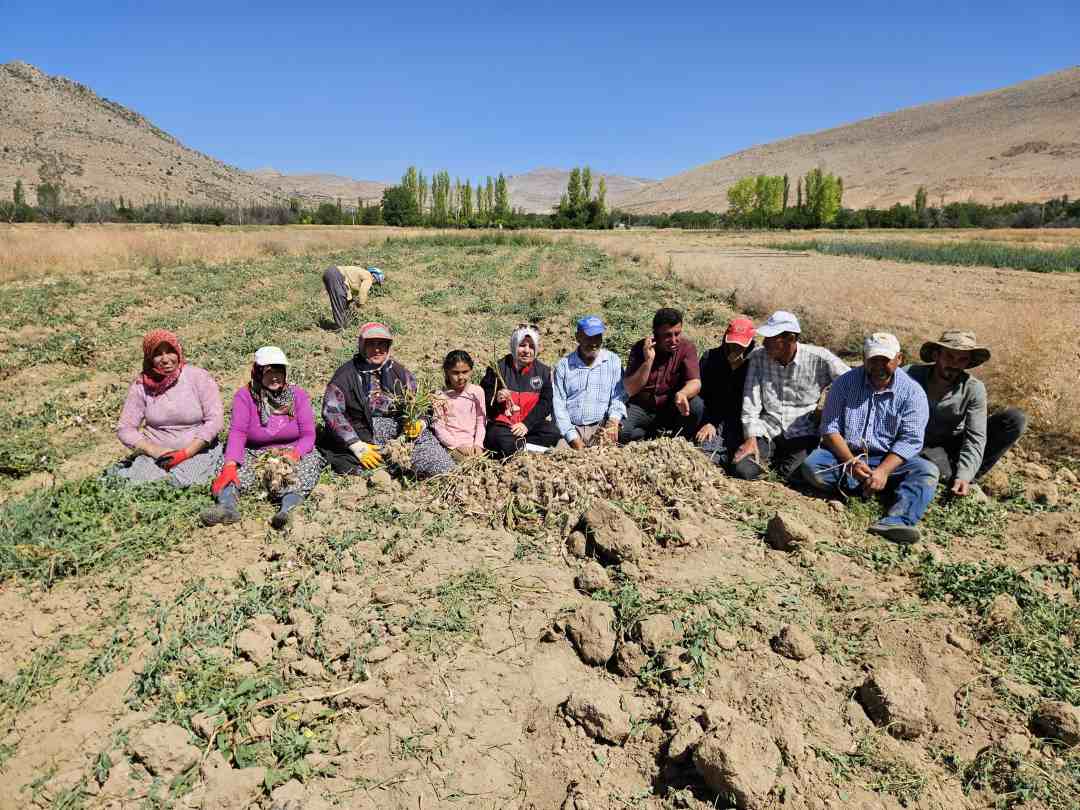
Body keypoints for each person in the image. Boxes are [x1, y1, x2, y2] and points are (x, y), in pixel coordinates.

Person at [801, 333, 938, 544]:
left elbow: (911, 439)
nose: (879, 366)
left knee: (926, 471)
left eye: (886, 360)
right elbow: (830, 429)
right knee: (813, 467)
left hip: (890, 459)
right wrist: (852, 462)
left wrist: (883, 470)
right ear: (864, 358)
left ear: (899, 359)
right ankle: (870, 486)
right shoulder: (844, 383)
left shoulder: (912, 393)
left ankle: (897, 520)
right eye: (873, 360)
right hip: (847, 455)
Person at [203, 346, 326, 529]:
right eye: (269, 371)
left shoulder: (298, 396)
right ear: (258, 372)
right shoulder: (244, 397)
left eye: (279, 371)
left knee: (310, 462)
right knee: (227, 466)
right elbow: (238, 433)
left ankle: (287, 510)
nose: (275, 376)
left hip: (291, 452)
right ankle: (227, 506)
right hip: (255, 452)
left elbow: (308, 435)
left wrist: (294, 455)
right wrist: (230, 465)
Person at [319, 322, 454, 477]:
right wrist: (356, 445)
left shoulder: (398, 372)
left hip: (401, 434)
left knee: (439, 464)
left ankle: (447, 474)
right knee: (372, 470)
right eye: (371, 344)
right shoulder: (345, 376)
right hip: (363, 435)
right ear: (362, 346)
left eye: (382, 344)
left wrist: (420, 422)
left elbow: (420, 401)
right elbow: (332, 412)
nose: (377, 349)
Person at [905, 330, 1027, 497]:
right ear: (936, 355)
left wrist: (965, 475)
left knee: (1014, 419)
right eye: (949, 357)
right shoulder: (910, 375)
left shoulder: (973, 388)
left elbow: (975, 437)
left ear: (968, 362)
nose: (954, 364)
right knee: (928, 465)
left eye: (962, 359)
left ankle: (963, 479)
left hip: (947, 447)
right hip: (909, 440)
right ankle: (941, 472)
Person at [736, 310, 849, 481]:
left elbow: (851, 383)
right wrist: (750, 438)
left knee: (791, 475)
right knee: (744, 469)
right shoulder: (759, 357)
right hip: (769, 427)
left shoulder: (819, 358)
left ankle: (783, 464)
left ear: (791, 339)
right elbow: (750, 402)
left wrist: (828, 409)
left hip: (803, 430)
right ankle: (772, 459)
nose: (765, 342)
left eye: (772, 338)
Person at [110, 329, 225, 487]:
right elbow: (125, 429)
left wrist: (187, 452)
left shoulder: (198, 377)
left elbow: (215, 420)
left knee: (186, 480)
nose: (165, 359)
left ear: (178, 352)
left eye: (170, 351)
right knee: (143, 482)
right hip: (157, 456)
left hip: (199, 451)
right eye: (158, 354)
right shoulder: (141, 386)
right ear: (150, 358)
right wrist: (154, 451)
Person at [619, 308, 704, 443]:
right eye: (667, 335)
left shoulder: (686, 348)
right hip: (641, 407)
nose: (674, 340)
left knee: (696, 405)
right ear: (656, 334)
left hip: (669, 407)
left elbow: (695, 382)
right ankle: (646, 435)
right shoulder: (640, 348)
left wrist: (683, 393)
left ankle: (676, 442)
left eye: (677, 334)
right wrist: (648, 360)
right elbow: (630, 389)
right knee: (621, 431)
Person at [480, 324, 560, 457]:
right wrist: (497, 399)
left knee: (552, 432)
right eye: (522, 345)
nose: (527, 350)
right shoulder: (497, 368)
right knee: (496, 437)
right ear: (514, 345)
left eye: (531, 346)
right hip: (504, 426)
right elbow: (485, 398)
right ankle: (531, 450)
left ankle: (517, 449)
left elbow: (545, 404)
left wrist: (526, 424)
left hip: (528, 425)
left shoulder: (544, 372)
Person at [552, 316, 626, 448]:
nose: (594, 343)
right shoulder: (564, 366)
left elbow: (618, 396)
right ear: (577, 337)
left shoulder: (613, 361)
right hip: (573, 429)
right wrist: (572, 438)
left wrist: (613, 421)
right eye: (588, 338)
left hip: (602, 427)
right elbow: (558, 406)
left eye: (597, 337)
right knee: (561, 459)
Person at [695, 317, 757, 468]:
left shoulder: (755, 364)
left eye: (741, 346)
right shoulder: (711, 358)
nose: (736, 349)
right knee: (704, 453)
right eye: (732, 344)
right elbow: (702, 395)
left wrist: (737, 373)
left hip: (741, 419)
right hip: (712, 415)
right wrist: (710, 422)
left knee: (736, 456)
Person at [430, 350, 487, 457]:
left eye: (465, 372)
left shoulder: (477, 392)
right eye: (455, 373)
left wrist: (478, 444)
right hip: (451, 446)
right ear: (447, 372)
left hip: (473, 444)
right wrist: (457, 446)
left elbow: (481, 420)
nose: (461, 377)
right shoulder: (440, 396)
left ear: (471, 371)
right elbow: (439, 427)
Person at [322, 265, 385, 330]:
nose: (374, 284)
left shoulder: (360, 274)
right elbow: (363, 292)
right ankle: (340, 328)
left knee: (343, 302)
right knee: (340, 302)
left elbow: (347, 290)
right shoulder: (369, 277)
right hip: (336, 275)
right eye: (376, 282)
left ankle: (343, 324)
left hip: (331, 273)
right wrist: (361, 305)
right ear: (375, 277)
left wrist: (351, 302)